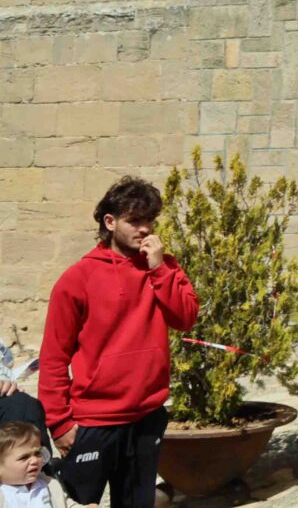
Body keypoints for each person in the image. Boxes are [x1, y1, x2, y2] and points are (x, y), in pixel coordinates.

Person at [39, 177, 197, 508]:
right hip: (94, 422)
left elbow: (185, 318)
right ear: (110, 222)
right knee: (77, 503)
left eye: (149, 220)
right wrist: (60, 423)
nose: (145, 229)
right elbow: (54, 357)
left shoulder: (164, 267)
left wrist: (159, 270)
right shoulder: (77, 279)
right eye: (135, 220)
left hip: (147, 416)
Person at [0, 422, 54, 508]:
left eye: (37, 453)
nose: (34, 460)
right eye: (24, 457)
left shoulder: (49, 484)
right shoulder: (4, 494)